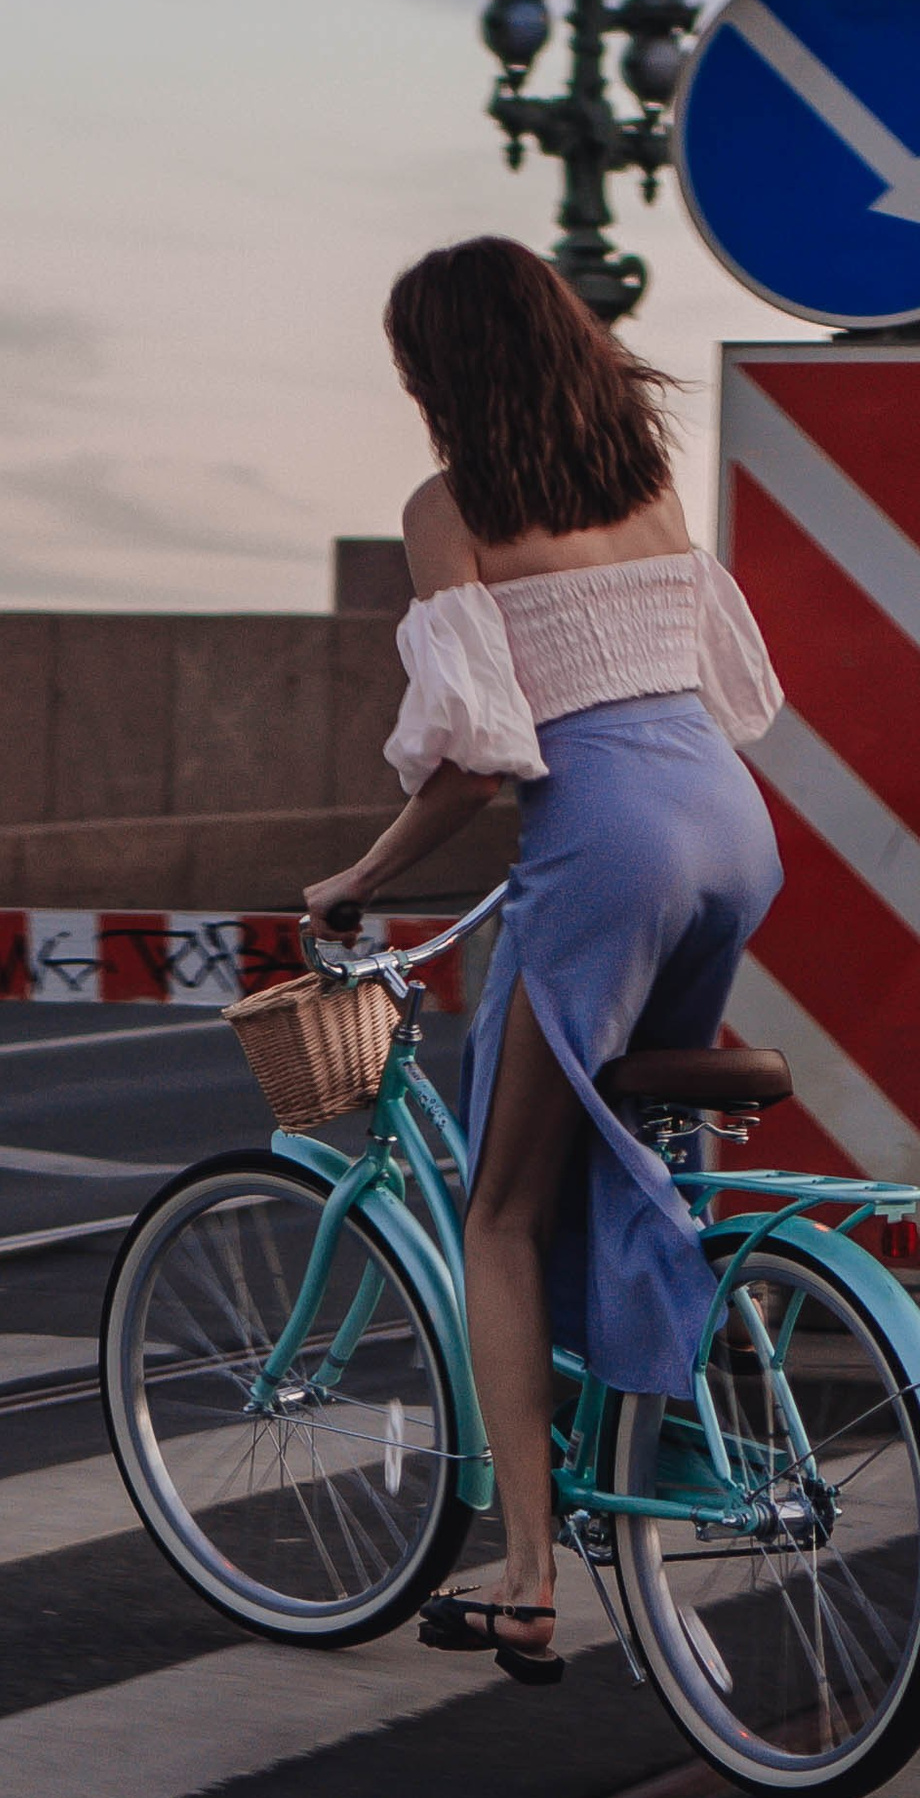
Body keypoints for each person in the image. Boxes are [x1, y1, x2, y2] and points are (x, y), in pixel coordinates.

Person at [304, 238, 783, 1684]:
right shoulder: (645, 484)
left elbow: (473, 755)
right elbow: (719, 684)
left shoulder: (452, 509)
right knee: (645, 1144)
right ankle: (671, 1428)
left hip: (614, 839)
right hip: (730, 826)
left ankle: (522, 1579)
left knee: (501, 1214)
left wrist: (360, 878)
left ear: (436, 370)